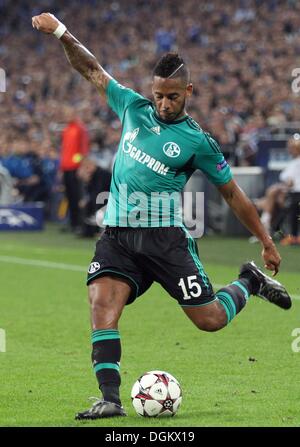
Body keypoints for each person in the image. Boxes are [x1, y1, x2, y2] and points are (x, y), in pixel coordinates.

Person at [32, 13, 292, 420]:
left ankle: (249, 281)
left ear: (187, 91)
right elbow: (91, 68)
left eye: (172, 96)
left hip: (165, 240)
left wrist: (266, 239)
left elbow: (231, 192)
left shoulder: (197, 141)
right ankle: (110, 400)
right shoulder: (133, 107)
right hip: (118, 237)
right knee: (102, 305)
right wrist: (62, 31)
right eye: (159, 95)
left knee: (209, 320)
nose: (164, 104)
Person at [255, 134, 300, 245]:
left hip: (294, 195)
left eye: (291, 147)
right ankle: (266, 226)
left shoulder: (297, 163)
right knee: (271, 196)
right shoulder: (293, 163)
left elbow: (291, 183)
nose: (289, 149)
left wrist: (280, 188)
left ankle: (265, 226)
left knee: (272, 192)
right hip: (289, 195)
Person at [60, 106, 89, 232]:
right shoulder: (66, 130)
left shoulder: (80, 129)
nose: (67, 116)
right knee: (69, 197)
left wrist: (81, 166)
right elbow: (64, 150)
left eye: (69, 113)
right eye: (65, 113)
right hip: (66, 168)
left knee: (77, 197)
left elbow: (83, 149)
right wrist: (61, 168)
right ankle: (72, 223)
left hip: (75, 168)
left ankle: (79, 224)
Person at [77, 155, 112, 237]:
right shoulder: (94, 175)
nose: (86, 170)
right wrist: (86, 181)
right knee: (87, 206)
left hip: (109, 200)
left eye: (87, 167)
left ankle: (95, 230)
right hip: (102, 199)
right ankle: (87, 231)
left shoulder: (102, 174)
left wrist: (87, 200)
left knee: (92, 206)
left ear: (92, 165)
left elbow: (99, 193)